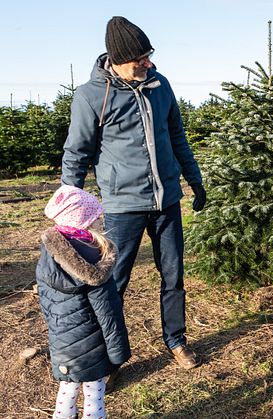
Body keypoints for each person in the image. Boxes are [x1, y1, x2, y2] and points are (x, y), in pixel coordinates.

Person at [60, 16, 206, 371]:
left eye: (149, 55)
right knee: (113, 282)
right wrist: (69, 207)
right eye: (141, 57)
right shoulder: (91, 96)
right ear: (120, 57)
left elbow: (177, 138)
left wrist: (195, 180)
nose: (149, 63)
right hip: (122, 207)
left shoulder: (160, 85)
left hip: (166, 201)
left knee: (173, 276)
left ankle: (176, 340)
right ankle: (106, 358)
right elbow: (76, 152)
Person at [37, 185, 131, 419]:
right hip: (92, 343)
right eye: (96, 217)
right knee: (94, 392)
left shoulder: (48, 256)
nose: (101, 220)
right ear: (85, 222)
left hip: (62, 341)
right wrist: (118, 352)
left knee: (67, 388)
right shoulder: (95, 262)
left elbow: (46, 304)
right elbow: (108, 313)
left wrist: (57, 331)